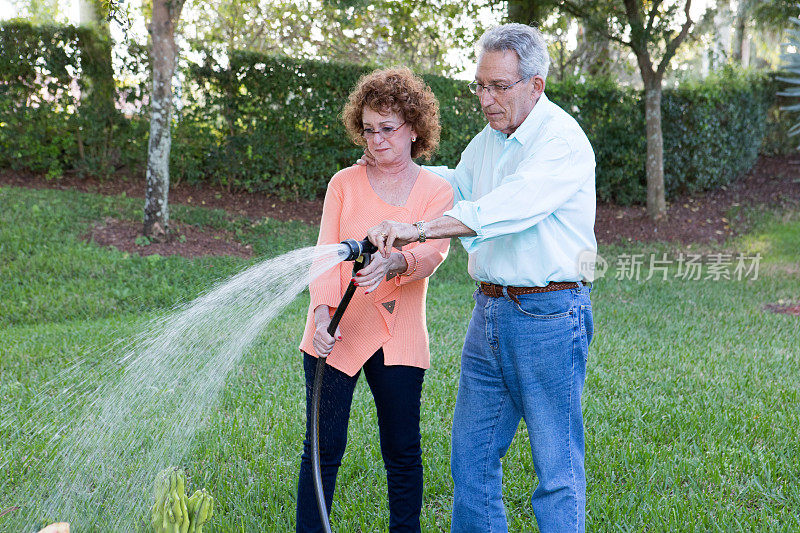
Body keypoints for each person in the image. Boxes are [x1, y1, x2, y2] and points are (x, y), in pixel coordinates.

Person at [366, 24, 596, 533]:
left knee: (555, 468)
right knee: (470, 461)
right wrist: (395, 164)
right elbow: (456, 184)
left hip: (549, 315)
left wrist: (418, 229)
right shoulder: (491, 138)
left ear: (535, 86)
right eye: (479, 86)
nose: (485, 99)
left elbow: (506, 209)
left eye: (498, 87)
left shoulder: (560, 141)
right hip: (488, 311)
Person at [295, 67, 454, 533]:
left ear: (414, 129)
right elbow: (325, 257)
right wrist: (322, 318)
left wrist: (396, 264)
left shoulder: (435, 190)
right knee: (321, 453)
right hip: (336, 331)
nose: (377, 140)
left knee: (402, 454)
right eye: (368, 129)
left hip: (399, 339)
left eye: (388, 129)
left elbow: (432, 252)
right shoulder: (343, 183)